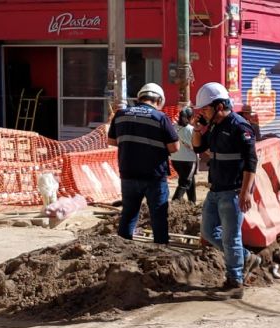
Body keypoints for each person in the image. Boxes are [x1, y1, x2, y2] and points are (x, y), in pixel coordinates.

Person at [192, 82, 261, 299]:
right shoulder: (214, 126)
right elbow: (198, 148)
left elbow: (251, 163)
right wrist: (197, 128)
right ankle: (247, 258)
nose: (203, 112)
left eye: (206, 108)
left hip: (233, 191)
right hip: (216, 189)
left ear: (220, 105)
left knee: (232, 238)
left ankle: (235, 283)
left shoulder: (240, 127)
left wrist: (246, 192)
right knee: (209, 231)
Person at [107, 83, 179, 244]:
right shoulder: (160, 117)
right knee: (159, 215)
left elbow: (111, 141)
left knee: (129, 213)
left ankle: (121, 249)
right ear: (159, 100)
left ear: (140, 97)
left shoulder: (120, 115)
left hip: (128, 173)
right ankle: (161, 250)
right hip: (154, 175)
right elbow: (174, 147)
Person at [170, 107, 198, 204]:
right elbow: (196, 145)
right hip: (189, 160)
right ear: (191, 118)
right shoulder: (192, 130)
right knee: (185, 182)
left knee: (189, 179)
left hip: (175, 159)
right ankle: (174, 202)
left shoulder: (173, 127)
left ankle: (192, 201)